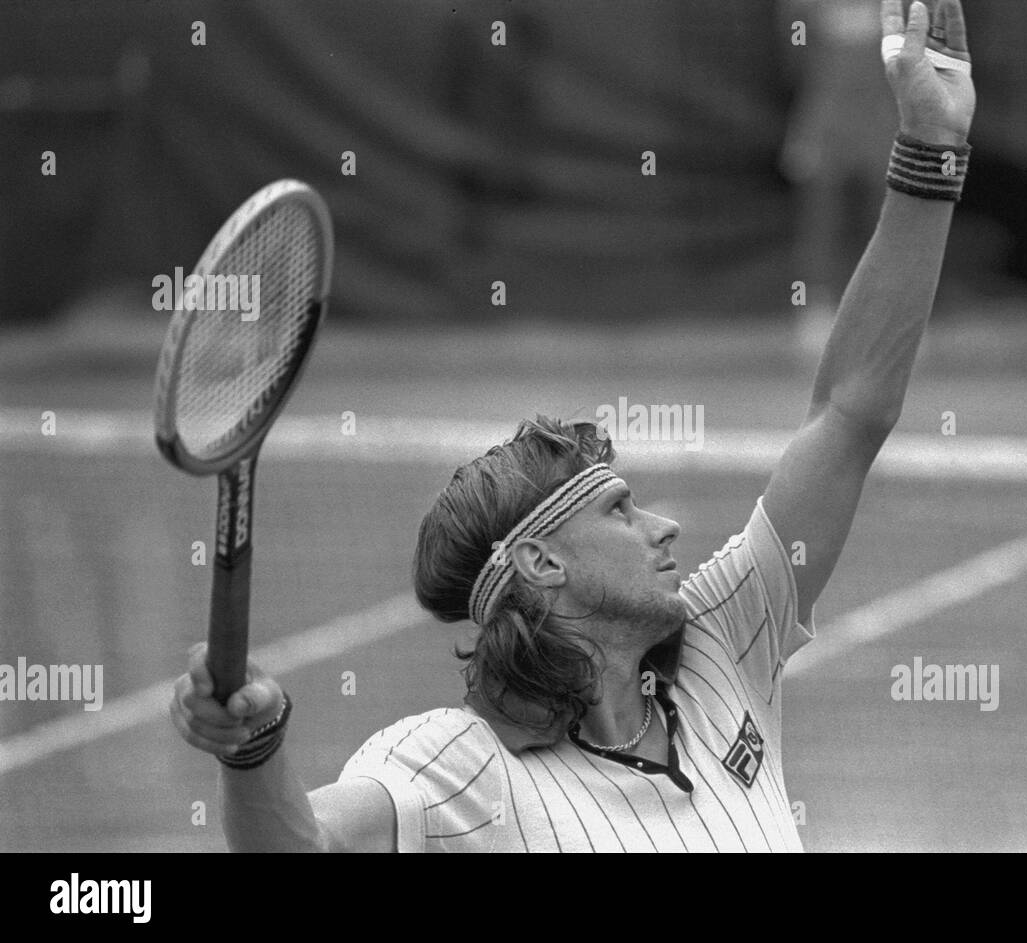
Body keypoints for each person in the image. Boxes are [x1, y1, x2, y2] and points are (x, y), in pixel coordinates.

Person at [170, 0, 976, 852]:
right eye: (620, 510)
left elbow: (850, 411)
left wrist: (931, 147)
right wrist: (254, 747)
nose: (664, 526)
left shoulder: (724, 643)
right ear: (541, 560)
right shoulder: (458, 764)